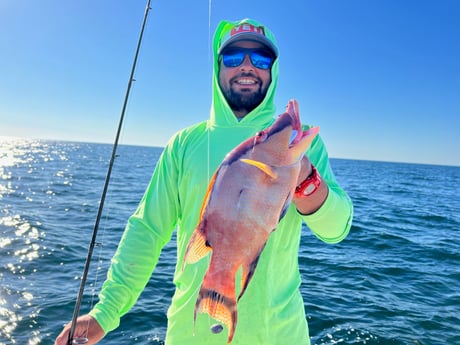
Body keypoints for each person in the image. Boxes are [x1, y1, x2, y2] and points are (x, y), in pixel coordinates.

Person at [55, 18, 353, 345]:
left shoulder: (299, 142)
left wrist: (306, 178)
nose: (247, 66)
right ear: (217, 66)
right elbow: (147, 230)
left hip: (280, 334)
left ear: (273, 70)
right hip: (189, 333)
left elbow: (336, 230)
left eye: (261, 59)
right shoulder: (184, 144)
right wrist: (105, 312)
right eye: (233, 57)